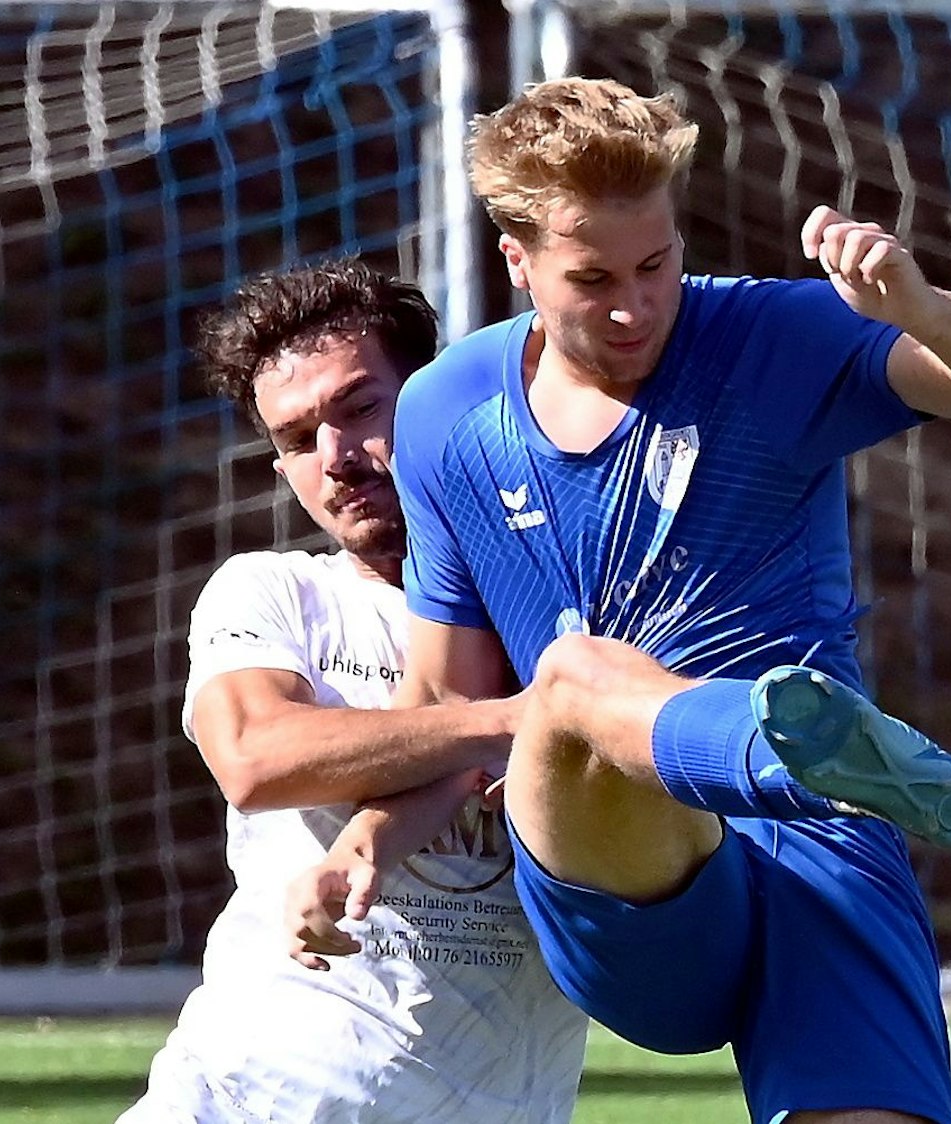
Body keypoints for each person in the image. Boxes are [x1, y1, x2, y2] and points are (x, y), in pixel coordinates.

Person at [296, 76, 951, 1124]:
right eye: (593, 277)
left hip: (820, 839)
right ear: (517, 262)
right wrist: (363, 843)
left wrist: (922, 308)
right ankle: (772, 738)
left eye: (655, 264)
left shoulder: (769, 336)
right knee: (574, 677)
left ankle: (804, 755)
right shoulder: (448, 410)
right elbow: (441, 699)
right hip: (620, 871)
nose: (633, 305)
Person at [121, 260, 589, 1124]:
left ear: (431, 400)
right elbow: (257, 758)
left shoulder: (559, 607)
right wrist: (517, 721)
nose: (336, 458)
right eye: (298, 440)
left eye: (359, 408)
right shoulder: (271, 592)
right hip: (235, 1101)